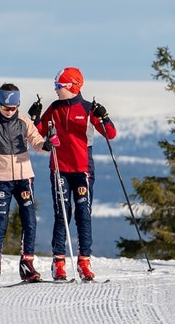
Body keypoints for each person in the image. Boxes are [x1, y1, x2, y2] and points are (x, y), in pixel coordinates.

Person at [31, 66, 116, 282]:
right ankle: (58, 263)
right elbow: (38, 131)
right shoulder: (55, 108)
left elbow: (110, 134)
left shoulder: (88, 109)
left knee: (83, 214)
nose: (56, 89)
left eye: (59, 86)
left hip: (82, 169)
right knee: (62, 213)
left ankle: (84, 262)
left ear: (72, 86)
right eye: (56, 85)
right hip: (59, 168)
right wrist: (35, 117)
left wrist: (103, 117)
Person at [0, 83, 51, 286]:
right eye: (5, 108)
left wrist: (46, 145)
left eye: (12, 108)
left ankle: (27, 265)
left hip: (24, 177)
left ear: (18, 105)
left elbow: (37, 141)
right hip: (1, 179)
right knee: (0, 223)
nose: (9, 112)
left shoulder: (24, 120)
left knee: (29, 221)